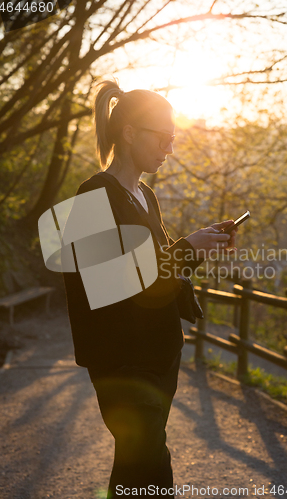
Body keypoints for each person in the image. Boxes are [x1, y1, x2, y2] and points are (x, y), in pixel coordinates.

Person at [63, 80, 237, 498]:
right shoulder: (91, 195)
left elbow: (156, 277)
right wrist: (184, 248)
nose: (169, 149)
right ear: (129, 133)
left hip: (162, 355)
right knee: (152, 464)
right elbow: (104, 281)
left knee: (134, 465)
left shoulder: (147, 196)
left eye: (173, 139)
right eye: (162, 138)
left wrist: (197, 247)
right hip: (121, 361)